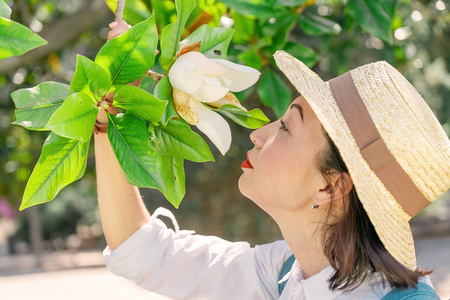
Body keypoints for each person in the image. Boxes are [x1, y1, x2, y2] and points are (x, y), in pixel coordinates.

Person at [94, 20, 449, 299]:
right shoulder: (283, 274)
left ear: (331, 185)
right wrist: (111, 117)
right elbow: (142, 252)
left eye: (286, 128)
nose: (258, 134)